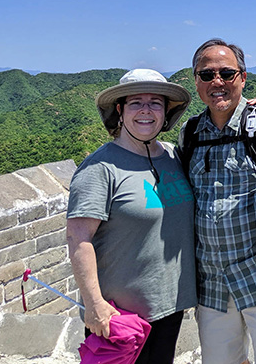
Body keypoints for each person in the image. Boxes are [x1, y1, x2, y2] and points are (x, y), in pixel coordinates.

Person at [66, 69, 196, 364]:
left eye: (156, 103)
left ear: (165, 114)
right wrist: (94, 304)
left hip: (169, 305)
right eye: (136, 102)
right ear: (120, 111)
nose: (146, 111)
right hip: (119, 316)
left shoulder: (174, 158)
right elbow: (78, 238)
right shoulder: (100, 168)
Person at [179, 39, 256, 364]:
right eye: (207, 75)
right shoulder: (189, 135)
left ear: (243, 78)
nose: (217, 82)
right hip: (212, 285)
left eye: (226, 73)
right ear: (196, 81)